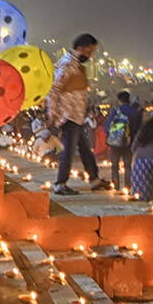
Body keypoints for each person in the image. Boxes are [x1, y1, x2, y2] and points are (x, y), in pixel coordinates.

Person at [47, 33, 109, 195]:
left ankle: (94, 179)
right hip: (68, 115)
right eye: (89, 52)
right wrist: (52, 113)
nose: (90, 56)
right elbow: (54, 89)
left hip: (78, 115)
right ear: (80, 48)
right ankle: (60, 184)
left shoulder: (77, 66)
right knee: (68, 151)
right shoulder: (67, 65)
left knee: (86, 150)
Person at [105, 91, 142, 189]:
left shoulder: (115, 111)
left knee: (115, 165)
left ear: (119, 100)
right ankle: (128, 186)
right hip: (129, 142)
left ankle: (116, 185)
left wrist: (111, 137)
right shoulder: (135, 112)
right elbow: (138, 127)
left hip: (115, 143)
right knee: (128, 165)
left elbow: (108, 127)